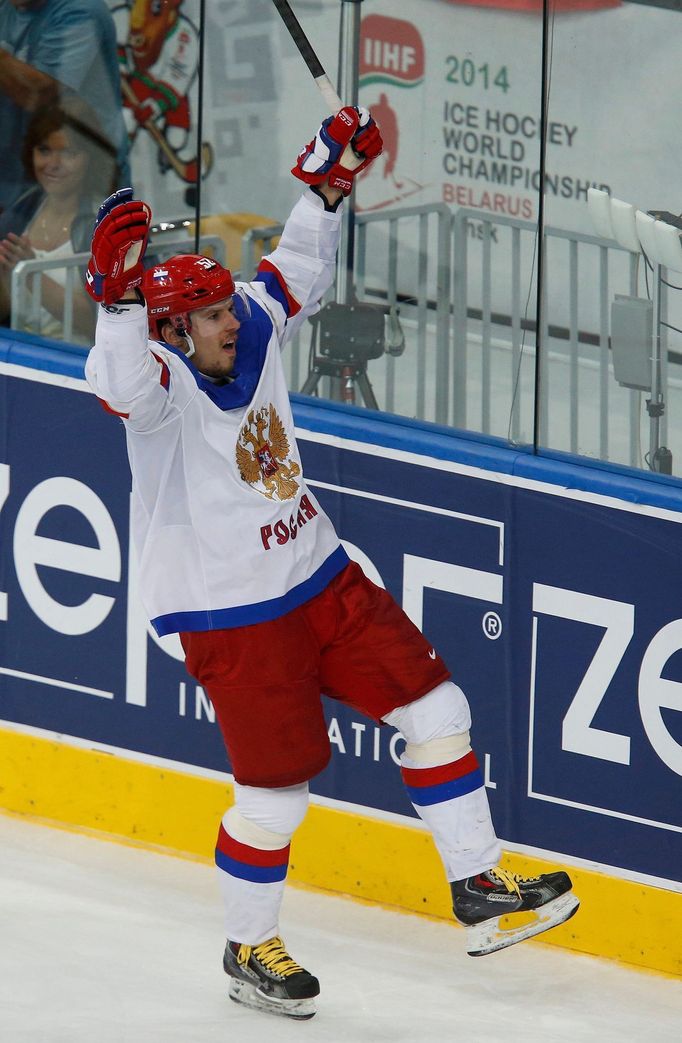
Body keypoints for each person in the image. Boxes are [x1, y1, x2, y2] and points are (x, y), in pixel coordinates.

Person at [83, 107, 579, 1021]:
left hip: (318, 574)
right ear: (166, 331)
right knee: (276, 797)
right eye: (204, 315)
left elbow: (294, 273)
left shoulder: (252, 330)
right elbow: (116, 385)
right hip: (230, 615)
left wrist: (322, 186)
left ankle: (478, 886)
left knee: (438, 705)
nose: (229, 319)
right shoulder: (158, 392)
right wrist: (115, 302)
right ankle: (247, 947)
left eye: (225, 304)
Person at [0, 99, 118, 340]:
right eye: (44, 150)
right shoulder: (19, 213)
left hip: (81, 369)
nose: (53, 164)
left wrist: (31, 275)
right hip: (21, 362)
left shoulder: (107, 225)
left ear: (90, 158)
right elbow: (6, 313)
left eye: (69, 152)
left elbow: (107, 326)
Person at [0, 0, 129, 210]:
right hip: (19, 190)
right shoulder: (7, 9)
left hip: (85, 193)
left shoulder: (80, 11)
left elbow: (40, 95)